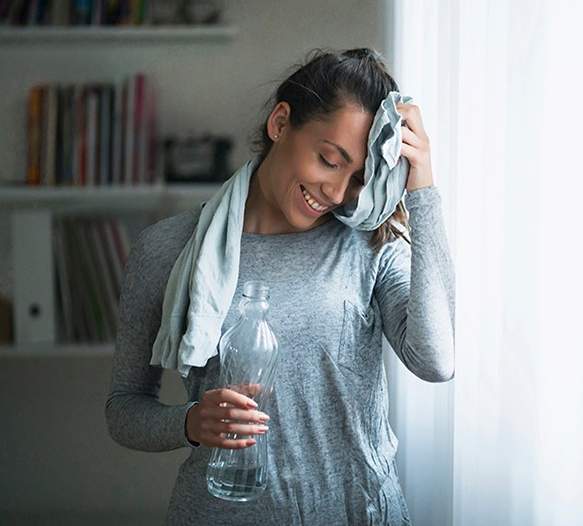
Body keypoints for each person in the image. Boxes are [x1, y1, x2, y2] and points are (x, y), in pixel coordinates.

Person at [105, 47, 455, 525]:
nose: (336, 193)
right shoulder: (168, 249)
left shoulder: (370, 244)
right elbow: (124, 409)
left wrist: (423, 188)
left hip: (358, 514)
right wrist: (189, 422)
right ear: (280, 122)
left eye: (359, 178)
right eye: (329, 160)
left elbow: (436, 361)